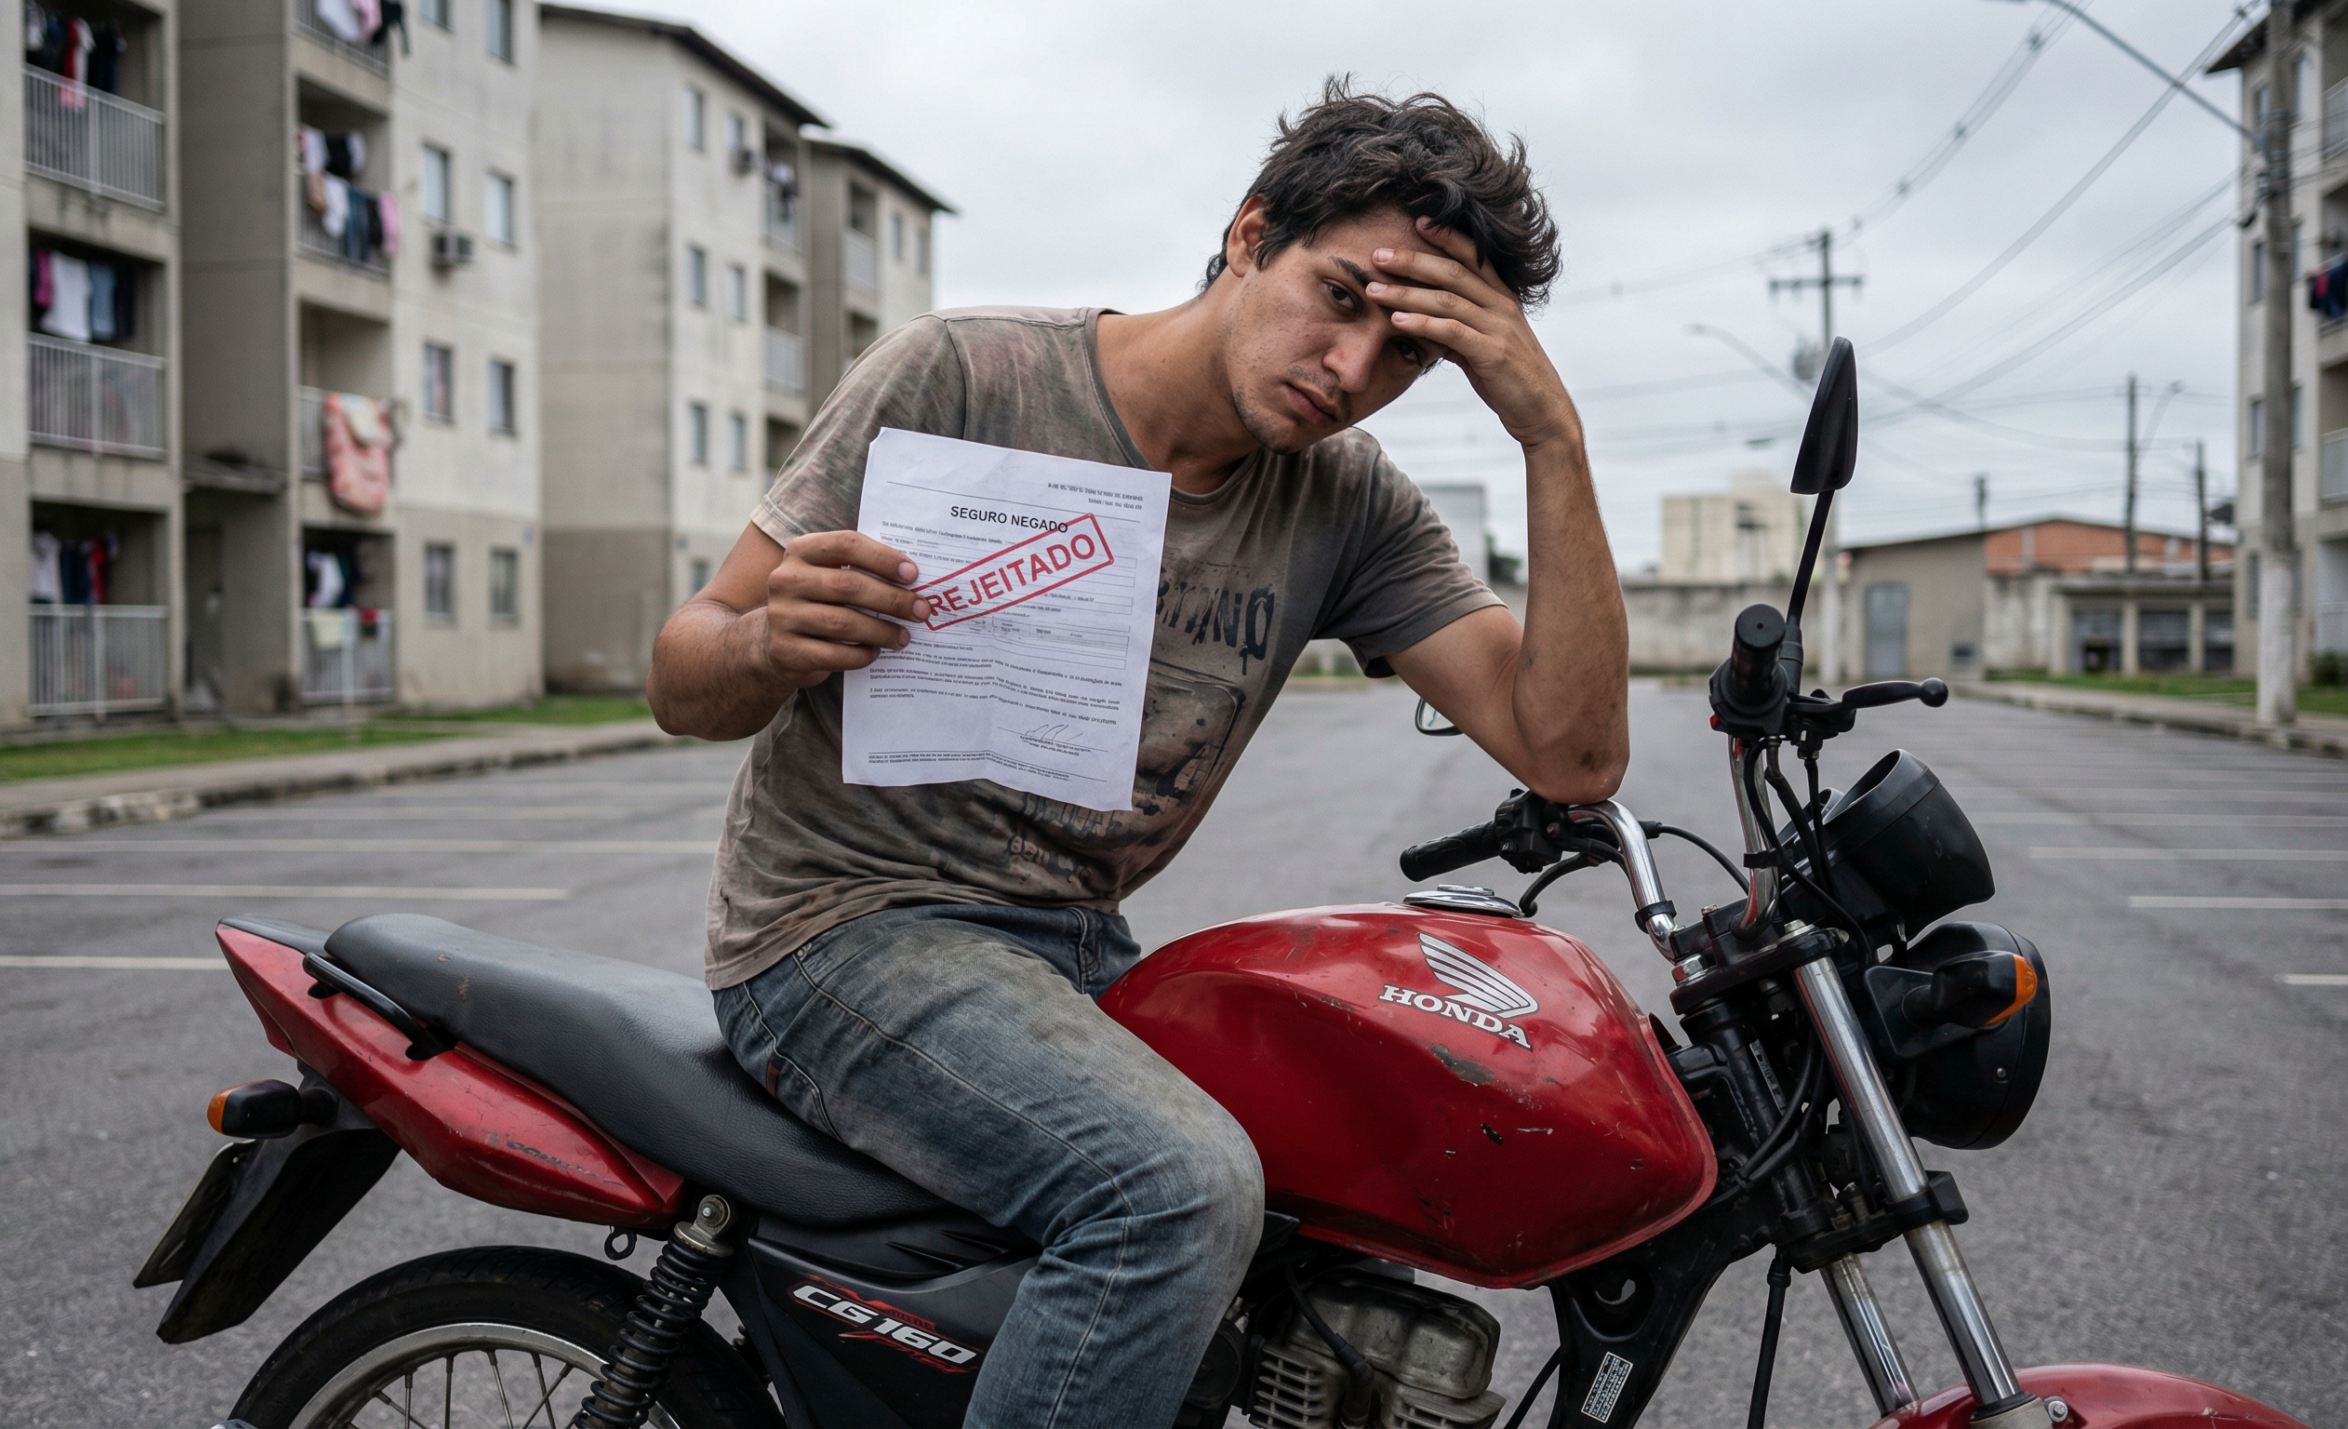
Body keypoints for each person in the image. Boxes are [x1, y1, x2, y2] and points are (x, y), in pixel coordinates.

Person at [647, 79, 1628, 1429]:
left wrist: (1549, 432)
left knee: (1335, 1157)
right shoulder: (968, 374)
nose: (1351, 371)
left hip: (1067, 947)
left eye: (1408, 355)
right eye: (1342, 298)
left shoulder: (1349, 505)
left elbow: (1569, 752)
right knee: (1171, 1190)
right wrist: (764, 646)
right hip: (835, 929)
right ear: (1248, 234)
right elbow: (680, 672)